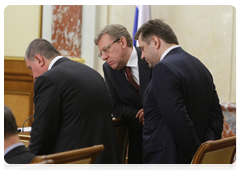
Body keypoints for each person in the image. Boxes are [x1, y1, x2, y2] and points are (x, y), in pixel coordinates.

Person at [134, 19, 224, 170]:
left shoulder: (163, 68)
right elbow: (215, 114)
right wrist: (206, 148)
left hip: (169, 160)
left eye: (142, 48)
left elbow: (178, 120)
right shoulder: (199, 65)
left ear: (155, 42)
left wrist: (197, 154)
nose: (142, 56)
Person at [24, 38, 122, 170]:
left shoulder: (48, 80)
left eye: (31, 68)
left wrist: (27, 164)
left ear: (39, 59)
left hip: (73, 164)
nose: (34, 76)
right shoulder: (92, 73)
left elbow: (41, 136)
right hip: (104, 161)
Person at [94, 24, 151, 170]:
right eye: (101, 53)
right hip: (136, 139)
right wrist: (141, 117)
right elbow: (114, 105)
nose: (104, 57)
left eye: (106, 49)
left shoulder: (149, 57)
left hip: (165, 137)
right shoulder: (108, 69)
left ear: (123, 42)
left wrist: (152, 112)